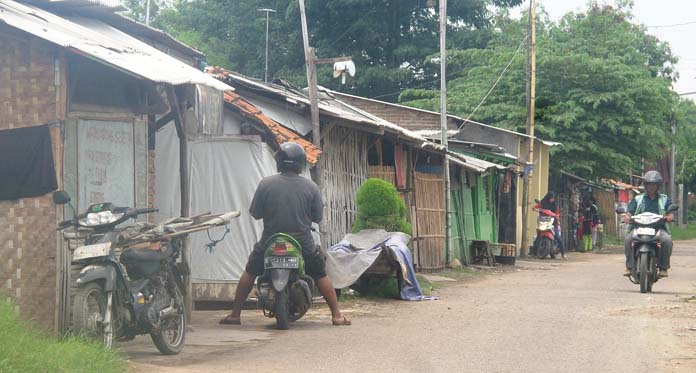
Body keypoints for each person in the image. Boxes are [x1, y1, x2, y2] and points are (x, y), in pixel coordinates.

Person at [220, 142, 351, 326]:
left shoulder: (265, 184)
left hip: (270, 240)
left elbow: (256, 213)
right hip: (302, 241)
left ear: (279, 162)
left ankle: (235, 314)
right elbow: (317, 217)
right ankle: (337, 315)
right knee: (320, 274)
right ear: (301, 163)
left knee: (250, 272)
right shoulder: (311, 187)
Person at [622, 170, 674, 278]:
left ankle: (664, 267)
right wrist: (627, 216)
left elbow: (670, 212)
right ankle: (629, 266)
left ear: (658, 185)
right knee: (628, 239)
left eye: (654, 184)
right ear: (645, 185)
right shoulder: (638, 199)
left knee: (667, 240)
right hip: (639, 227)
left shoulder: (664, 199)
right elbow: (630, 211)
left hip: (658, 228)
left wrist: (669, 217)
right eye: (649, 184)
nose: (651, 187)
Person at [534, 191, 566, 259]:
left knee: (558, 238)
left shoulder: (555, 205)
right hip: (543, 222)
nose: (552, 200)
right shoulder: (542, 203)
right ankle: (535, 252)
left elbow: (557, 213)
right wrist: (535, 209)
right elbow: (535, 207)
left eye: (553, 198)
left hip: (553, 223)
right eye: (551, 198)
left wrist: (556, 216)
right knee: (538, 237)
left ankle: (563, 253)